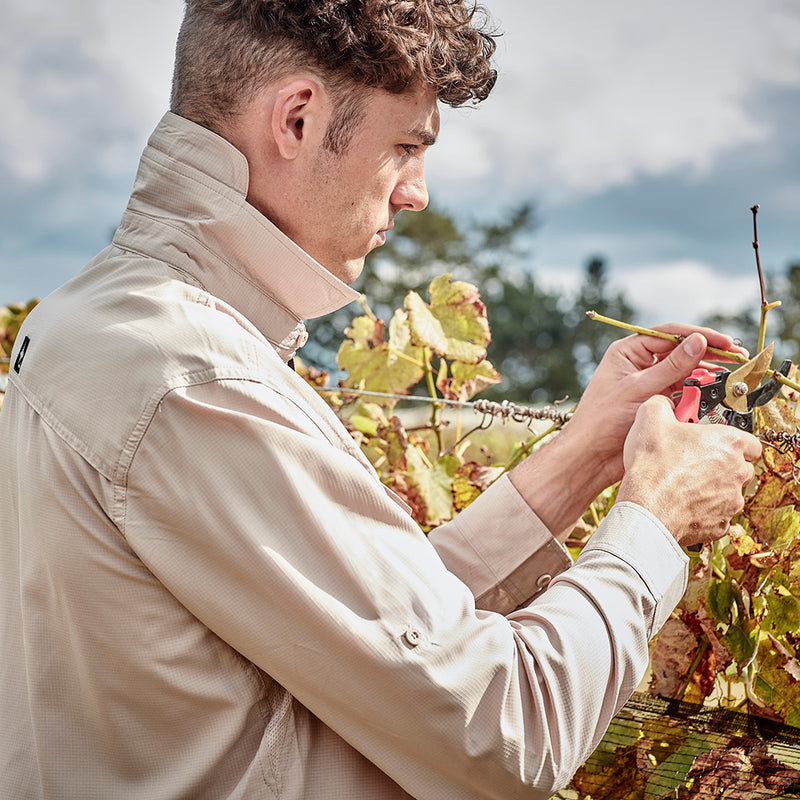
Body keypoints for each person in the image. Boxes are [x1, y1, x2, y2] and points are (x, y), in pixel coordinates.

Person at [0, 2, 761, 798]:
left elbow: (368, 626)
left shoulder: (104, 319)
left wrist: (588, 457)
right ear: (296, 118)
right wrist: (654, 523)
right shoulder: (194, 378)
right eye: (405, 146)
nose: (417, 194)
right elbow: (506, 734)